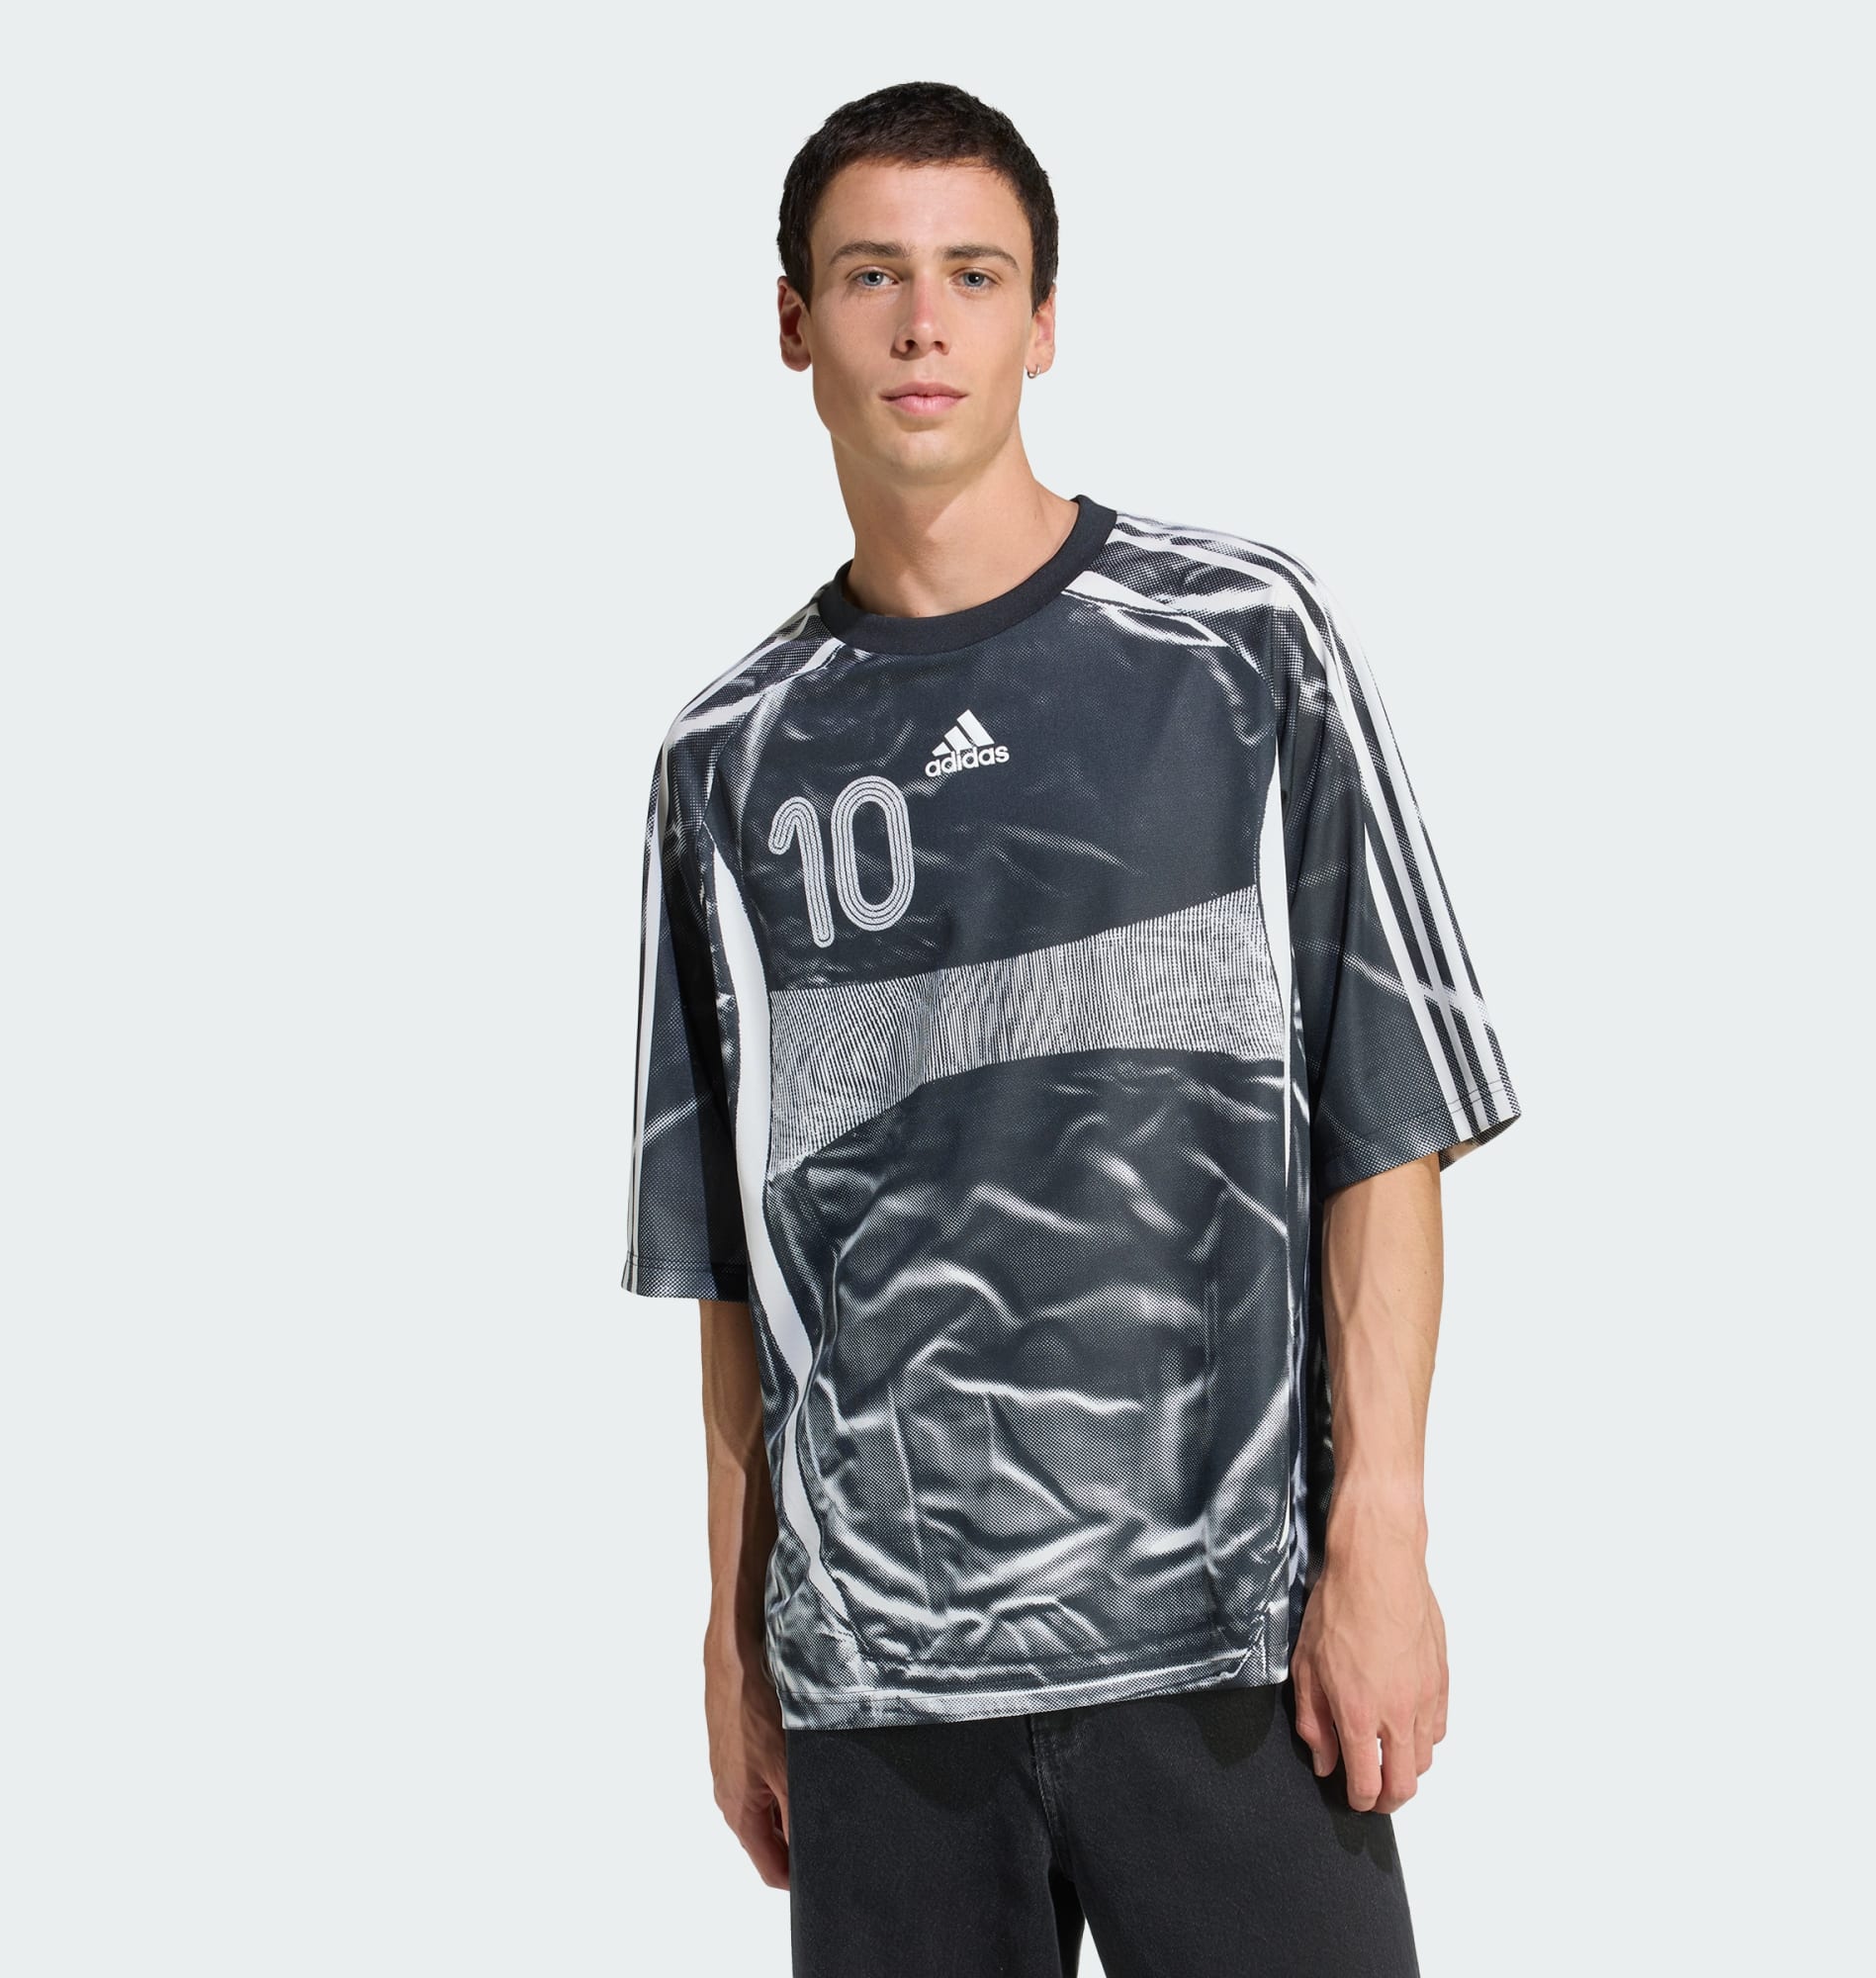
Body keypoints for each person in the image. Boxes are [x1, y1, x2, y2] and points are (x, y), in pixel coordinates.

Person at [619, 79, 1521, 1978]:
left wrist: (1384, 1536)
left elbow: (1390, 1114)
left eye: (973, 275)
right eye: (870, 275)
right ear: (791, 321)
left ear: (1045, 322)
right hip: (880, 1689)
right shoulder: (725, 762)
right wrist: (732, 1638)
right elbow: (737, 1263)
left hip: (1228, 1651)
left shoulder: (1242, 641)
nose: (921, 323)